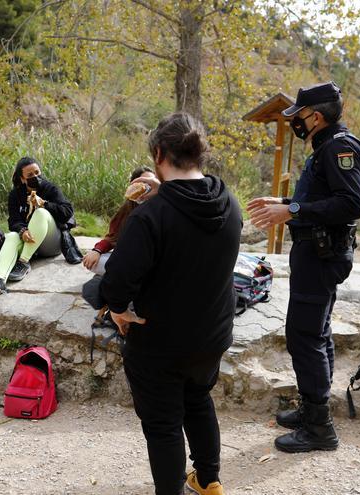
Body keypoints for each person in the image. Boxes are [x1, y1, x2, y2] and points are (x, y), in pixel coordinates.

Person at [100, 113, 242, 495]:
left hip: (159, 341)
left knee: (163, 425)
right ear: (199, 154)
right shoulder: (229, 202)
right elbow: (190, 219)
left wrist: (117, 309)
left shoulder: (151, 216)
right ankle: (209, 480)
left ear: (159, 153)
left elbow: (115, 283)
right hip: (211, 336)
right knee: (198, 401)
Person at [246, 81, 360, 453]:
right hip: (318, 253)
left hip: (321, 255)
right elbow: (322, 198)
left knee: (304, 335)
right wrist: (285, 202)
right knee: (316, 331)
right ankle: (313, 410)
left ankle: (319, 428)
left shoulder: (339, 148)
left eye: (298, 116)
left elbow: (350, 204)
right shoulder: (328, 146)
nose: (296, 122)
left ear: (315, 116)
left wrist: (293, 210)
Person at [0, 156, 83, 296]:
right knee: (12, 236)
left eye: (37, 172)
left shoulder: (51, 189)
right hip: (30, 242)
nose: (35, 176)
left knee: (41, 213)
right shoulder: (15, 195)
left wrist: (44, 203)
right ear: (22, 179)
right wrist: (22, 230)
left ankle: (23, 262)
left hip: (51, 243)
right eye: (30, 175)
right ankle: (0, 281)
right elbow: (13, 220)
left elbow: (67, 212)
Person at [82, 166, 157, 276]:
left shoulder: (160, 207)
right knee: (94, 262)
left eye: (151, 183)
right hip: (129, 260)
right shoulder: (127, 210)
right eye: (144, 183)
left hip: (152, 261)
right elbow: (112, 237)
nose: (147, 188)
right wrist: (97, 251)